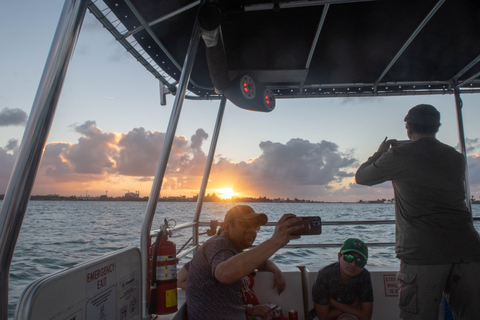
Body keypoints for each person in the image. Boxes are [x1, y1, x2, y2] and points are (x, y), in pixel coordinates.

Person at [355, 104, 480, 319]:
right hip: (468, 250)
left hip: (423, 252)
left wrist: (380, 152)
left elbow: (362, 177)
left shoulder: (399, 155)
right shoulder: (456, 158)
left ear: (408, 126)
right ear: (437, 126)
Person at [185, 204, 303, 319]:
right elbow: (224, 274)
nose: (252, 230)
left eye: (255, 226)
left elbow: (257, 262)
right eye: (246, 224)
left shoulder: (230, 250)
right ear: (227, 227)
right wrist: (274, 242)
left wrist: (275, 269)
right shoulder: (220, 243)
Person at [178, 259, 287, 319]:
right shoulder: (210, 264)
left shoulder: (241, 257)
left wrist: (277, 272)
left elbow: (264, 263)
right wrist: (250, 310)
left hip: (258, 310)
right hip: (239, 313)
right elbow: (178, 280)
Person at [309, 238, 373, 320]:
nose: (353, 264)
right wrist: (352, 307)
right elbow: (323, 316)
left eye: (359, 261)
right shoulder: (325, 275)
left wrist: (334, 303)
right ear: (339, 257)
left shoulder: (364, 276)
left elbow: (366, 317)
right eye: (349, 257)